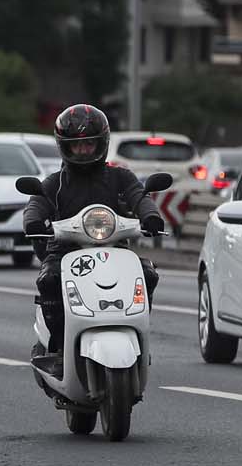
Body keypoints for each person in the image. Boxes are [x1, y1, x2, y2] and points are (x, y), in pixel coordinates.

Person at [22, 104, 165, 378]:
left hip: (114, 249)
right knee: (49, 279)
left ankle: (138, 331)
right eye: (77, 145)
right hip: (65, 252)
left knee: (147, 273)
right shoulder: (56, 181)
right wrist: (34, 221)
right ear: (66, 147)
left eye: (90, 144)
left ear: (102, 143)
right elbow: (37, 202)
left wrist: (151, 216)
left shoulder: (120, 176)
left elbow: (139, 196)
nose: (84, 150)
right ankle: (58, 347)